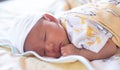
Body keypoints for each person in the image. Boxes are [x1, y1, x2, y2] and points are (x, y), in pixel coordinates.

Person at [0, 0, 119, 61]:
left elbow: (109, 48)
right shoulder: (61, 20)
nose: (49, 47)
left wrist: (80, 53)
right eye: (43, 52)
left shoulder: (75, 31)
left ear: (51, 18)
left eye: (45, 37)